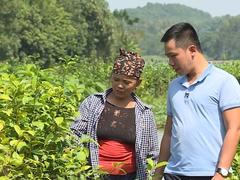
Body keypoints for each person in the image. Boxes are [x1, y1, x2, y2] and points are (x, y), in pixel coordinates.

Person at [155, 22, 240, 180]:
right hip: (173, 173)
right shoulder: (174, 86)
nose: (170, 63)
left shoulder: (224, 82)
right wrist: (159, 172)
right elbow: (167, 133)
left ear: (192, 50)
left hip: (208, 174)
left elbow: (234, 129)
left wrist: (222, 172)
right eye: (168, 57)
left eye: (173, 55)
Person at [71, 48, 159, 180]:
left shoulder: (144, 113)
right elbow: (75, 133)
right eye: (116, 79)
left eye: (127, 82)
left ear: (138, 83)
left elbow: (152, 152)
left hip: (130, 176)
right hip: (94, 174)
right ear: (111, 76)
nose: (120, 85)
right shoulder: (93, 103)